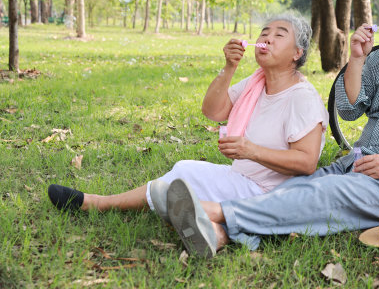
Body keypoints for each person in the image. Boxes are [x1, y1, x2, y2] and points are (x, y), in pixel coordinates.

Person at [163, 0, 379, 258]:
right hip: (358, 164)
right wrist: (357, 60)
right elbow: (349, 110)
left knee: (322, 195)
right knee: (297, 189)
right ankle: (220, 234)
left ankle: (213, 211)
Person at [47, 15, 329, 227]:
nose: (266, 38)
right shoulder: (256, 82)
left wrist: (250, 150)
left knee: (178, 181)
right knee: (183, 170)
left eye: (279, 35)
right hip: (242, 179)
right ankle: (195, 216)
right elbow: (213, 112)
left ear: (297, 53)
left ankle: (98, 204)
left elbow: (306, 163)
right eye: (264, 32)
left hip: (269, 194)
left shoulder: (301, 97)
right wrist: (229, 68)